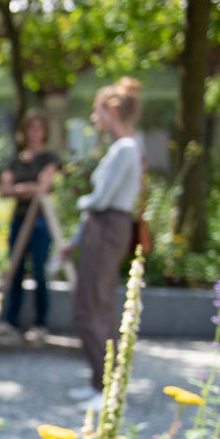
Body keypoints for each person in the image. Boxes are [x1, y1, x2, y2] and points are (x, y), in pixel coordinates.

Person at [61, 78, 144, 409]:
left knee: (92, 306)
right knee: (96, 304)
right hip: (105, 227)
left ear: (111, 110)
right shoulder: (126, 148)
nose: (95, 120)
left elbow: (100, 199)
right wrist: (77, 238)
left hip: (108, 227)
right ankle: (101, 380)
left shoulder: (125, 149)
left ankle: (107, 387)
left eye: (97, 112)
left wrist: (81, 204)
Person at [0, 109, 60, 339]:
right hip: (18, 220)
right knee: (14, 270)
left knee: (39, 272)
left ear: (44, 132)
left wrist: (19, 189)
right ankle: (11, 320)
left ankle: (40, 322)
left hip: (40, 221)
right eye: (30, 128)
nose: (34, 133)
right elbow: (4, 189)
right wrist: (27, 189)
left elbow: (43, 188)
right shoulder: (16, 161)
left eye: (38, 128)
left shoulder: (49, 159)